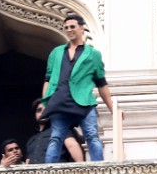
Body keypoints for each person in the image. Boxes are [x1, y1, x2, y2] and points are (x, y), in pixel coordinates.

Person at [41, 13, 114, 163]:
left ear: (81, 28)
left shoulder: (92, 54)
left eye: (72, 26)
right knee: (55, 137)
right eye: (66, 27)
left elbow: (101, 83)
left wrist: (113, 108)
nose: (69, 30)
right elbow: (48, 79)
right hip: (60, 100)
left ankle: (99, 169)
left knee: (92, 135)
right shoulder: (56, 52)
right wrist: (44, 102)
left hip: (84, 101)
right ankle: (48, 172)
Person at [25, 99, 83, 164]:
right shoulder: (31, 140)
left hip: (57, 172)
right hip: (35, 173)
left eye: (46, 110)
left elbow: (72, 145)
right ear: (35, 115)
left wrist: (81, 167)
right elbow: (28, 161)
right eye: (39, 110)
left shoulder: (60, 130)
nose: (42, 112)